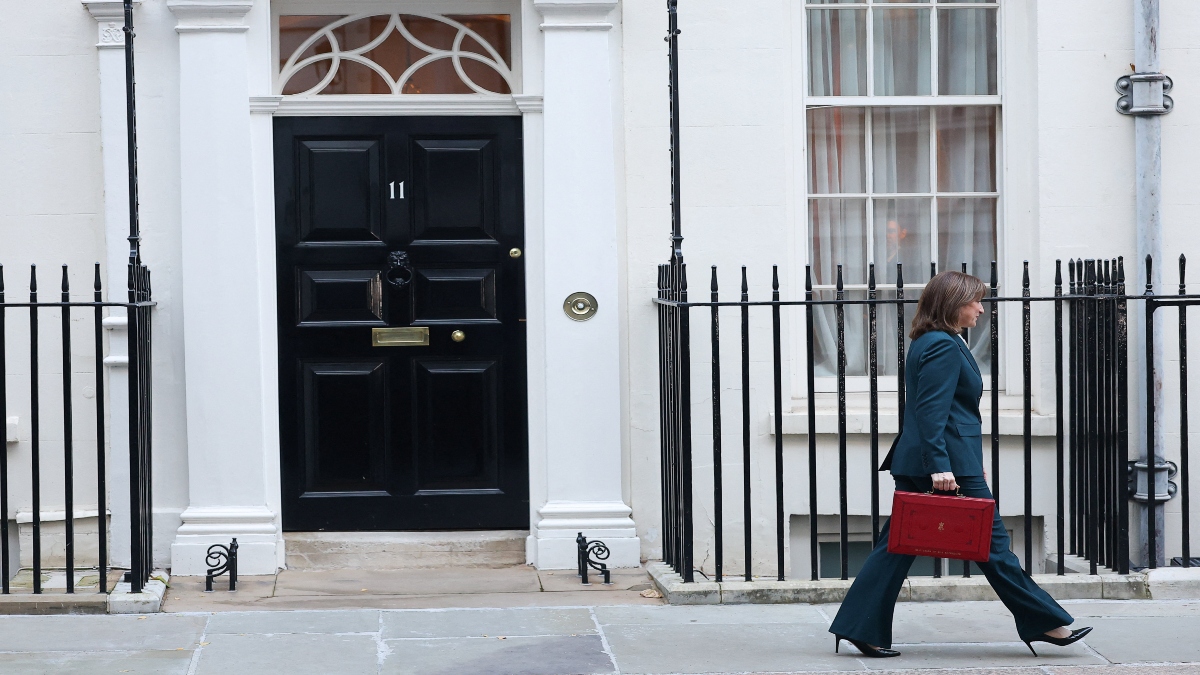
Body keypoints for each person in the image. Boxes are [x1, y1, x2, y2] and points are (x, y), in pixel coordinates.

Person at [828, 270, 1092, 658]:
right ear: (953, 304)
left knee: (897, 548)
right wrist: (942, 467)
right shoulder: (942, 346)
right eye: (975, 302)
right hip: (939, 463)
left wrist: (963, 462)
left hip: (944, 459)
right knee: (993, 546)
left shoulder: (934, 341)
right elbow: (931, 412)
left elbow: (946, 411)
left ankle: (858, 626)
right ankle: (1044, 623)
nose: (981, 310)